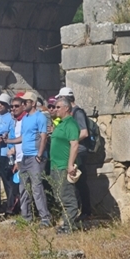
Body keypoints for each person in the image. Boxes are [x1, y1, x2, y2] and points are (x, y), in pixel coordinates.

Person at [6, 92, 51, 227]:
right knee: (23, 188)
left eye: (25, 102)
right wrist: (8, 140)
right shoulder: (25, 119)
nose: (23, 104)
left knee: (37, 187)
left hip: (35, 157)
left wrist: (40, 154)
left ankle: (45, 218)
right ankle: (26, 217)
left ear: (32, 102)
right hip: (25, 157)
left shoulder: (40, 117)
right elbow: (23, 137)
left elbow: (44, 136)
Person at [58, 86, 93, 218]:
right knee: (75, 182)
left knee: (80, 181)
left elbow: (84, 133)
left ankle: (85, 211)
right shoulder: (73, 112)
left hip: (79, 151)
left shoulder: (77, 112)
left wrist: (71, 140)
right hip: (75, 150)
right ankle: (80, 210)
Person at [49, 96, 81, 234]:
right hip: (55, 166)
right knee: (59, 196)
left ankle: (68, 227)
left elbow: (74, 145)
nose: (55, 110)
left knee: (68, 198)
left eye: (58, 107)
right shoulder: (61, 123)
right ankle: (67, 224)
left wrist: (70, 165)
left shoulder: (71, 124)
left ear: (66, 108)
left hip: (64, 166)